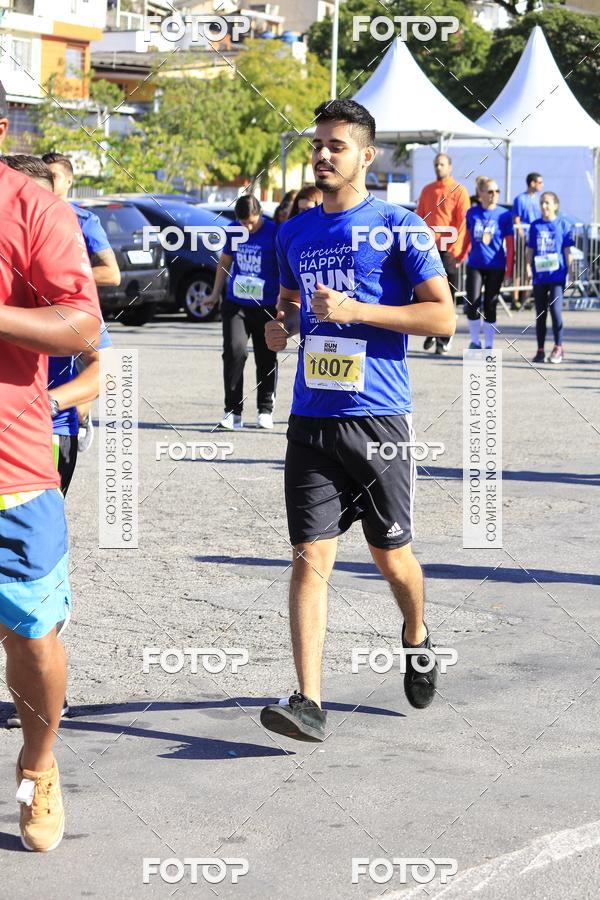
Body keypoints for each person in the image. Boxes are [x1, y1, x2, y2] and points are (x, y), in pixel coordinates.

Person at [261, 99, 454, 742]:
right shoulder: (294, 232)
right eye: (317, 144)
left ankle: (416, 634)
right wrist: (282, 328)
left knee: (391, 558)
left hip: (378, 421)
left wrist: (358, 311)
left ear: (366, 156)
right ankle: (309, 701)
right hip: (310, 418)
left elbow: (442, 318)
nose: (321, 155)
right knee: (309, 557)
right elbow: (290, 304)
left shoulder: (400, 226)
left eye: (335, 146)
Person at [0, 80, 101, 852]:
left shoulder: (34, 209)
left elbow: (81, 325)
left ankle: (37, 763)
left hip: (14, 468)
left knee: (32, 641)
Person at [0, 155, 113, 730]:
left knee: (33, 608)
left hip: (40, 441)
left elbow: (98, 362)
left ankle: (40, 714)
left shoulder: (54, 235)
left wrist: (50, 403)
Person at [41, 151, 120, 451]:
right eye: (44, 175)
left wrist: (61, 278)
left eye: (54, 176)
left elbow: (112, 273)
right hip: (39, 309)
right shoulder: (31, 217)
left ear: (70, 181)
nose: (48, 182)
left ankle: (81, 415)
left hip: (76, 309)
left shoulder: (85, 221)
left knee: (97, 368)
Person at [207, 194, 279, 430]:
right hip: (236, 303)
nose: (247, 227)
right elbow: (225, 262)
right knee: (234, 351)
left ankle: (265, 409)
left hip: (266, 305)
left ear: (259, 214)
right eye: (242, 222)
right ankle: (233, 412)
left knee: (265, 356)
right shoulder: (233, 231)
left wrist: (284, 300)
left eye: (251, 222)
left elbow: (284, 269)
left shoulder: (274, 232)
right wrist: (215, 293)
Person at [416, 153, 470, 354]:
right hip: (428, 248)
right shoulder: (427, 190)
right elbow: (419, 218)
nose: (438, 167)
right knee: (426, 292)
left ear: (450, 167)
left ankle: (444, 337)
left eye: (442, 164)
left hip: (449, 249)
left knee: (447, 294)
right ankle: (432, 330)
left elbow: (463, 222)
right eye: (436, 164)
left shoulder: (459, 190)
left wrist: (457, 250)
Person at [464, 178, 513, 350]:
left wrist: (509, 270)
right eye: (490, 191)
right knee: (473, 302)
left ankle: (489, 344)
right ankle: (475, 341)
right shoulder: (472, 213)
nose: (494, 195)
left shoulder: (504, 215)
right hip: (475, 265)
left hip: (496, 265)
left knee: (490, 305)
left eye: (497, 191)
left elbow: (510, 245)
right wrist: (459, 256)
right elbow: (467, 238)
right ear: (481, 193)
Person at [526, 191, 574, 364]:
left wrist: (570, 271)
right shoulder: (535, 226)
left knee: (555, 311)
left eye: (547, 202)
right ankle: (540, 350)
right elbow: (530, 249)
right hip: (539, 276)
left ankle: (558, 347)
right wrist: (527, 268)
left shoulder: (563, 225)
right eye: (541, 203)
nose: (544, 206)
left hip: (557, 276)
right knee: (540, 313)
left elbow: (567, 251)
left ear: (556, 205)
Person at [511, 172, 543, 311]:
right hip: (523, 239)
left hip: (535, 239)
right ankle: (515, 299)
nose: (541, 185)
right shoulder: (520, 199)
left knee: (530, 268)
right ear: (532, 183)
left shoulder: (539, 200)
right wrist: (522, 235)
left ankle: (525, 298)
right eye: (539, 182)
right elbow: (516, 218)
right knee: (519, 268)